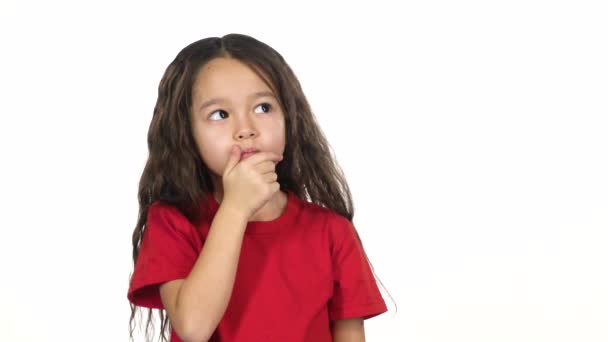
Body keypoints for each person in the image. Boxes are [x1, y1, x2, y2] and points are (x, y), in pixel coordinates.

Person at [127, 33, 388, 342]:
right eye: (220, 114)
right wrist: (236, 208)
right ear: (187, 133)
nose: (246, 129)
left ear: (289, 117)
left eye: (263, 108)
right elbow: (193, 328)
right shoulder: (173, 222)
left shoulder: (331, 231)